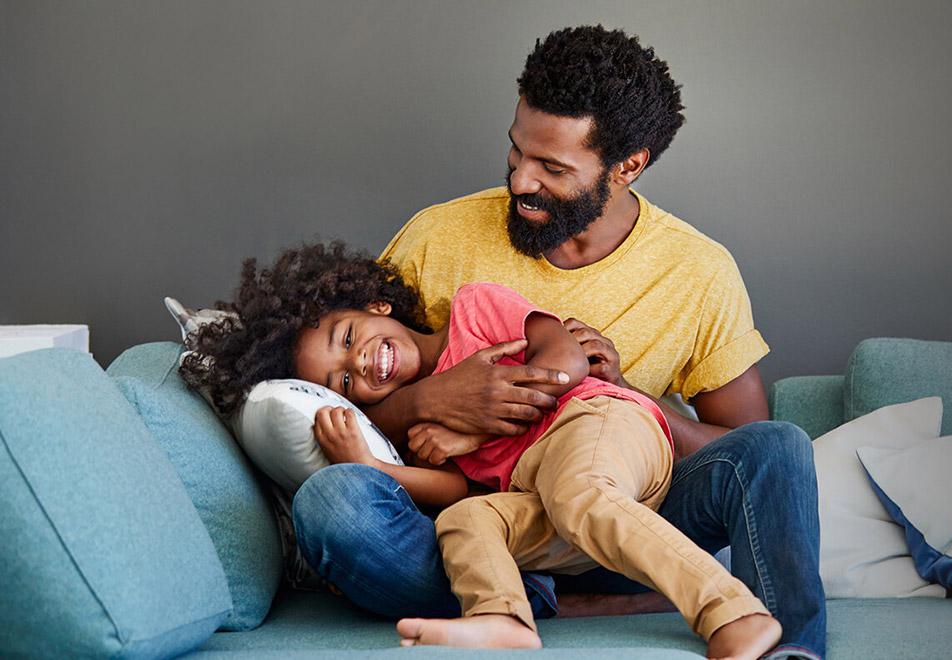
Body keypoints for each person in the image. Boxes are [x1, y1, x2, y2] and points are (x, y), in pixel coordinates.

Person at [290, 25, 826, 660]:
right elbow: (359, 379)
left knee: (777, 448)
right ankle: (538, 605)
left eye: (552, 167)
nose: (520, 182)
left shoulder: (698, 271)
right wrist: (438, 400)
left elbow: (739, 450)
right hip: (503, 522)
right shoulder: (438, 238)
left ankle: (781, 644)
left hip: (627, 505)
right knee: (334, 505)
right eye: (516, 153)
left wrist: (621, 393)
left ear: (629, 165)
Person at [181, 243, 781, 658]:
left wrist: (472, 431)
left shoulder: (473, 308)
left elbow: (568, 358)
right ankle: (504, 618)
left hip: (600, 422)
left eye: (348, 339)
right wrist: (370, 467)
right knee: (468, 522)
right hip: (536, 485)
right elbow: (456, 492)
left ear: (375, 307)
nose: (359, 362)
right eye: (342, 382)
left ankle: (732, 611)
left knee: (580, 493)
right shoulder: (415, 431)